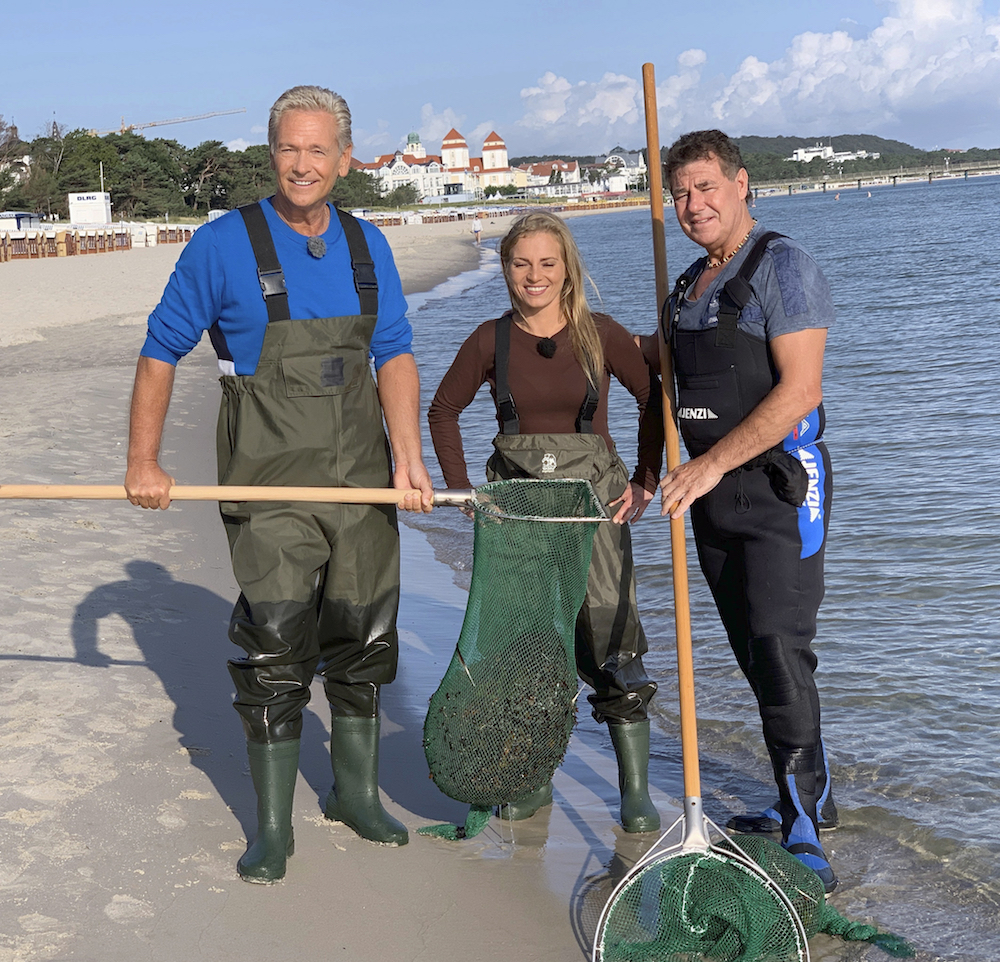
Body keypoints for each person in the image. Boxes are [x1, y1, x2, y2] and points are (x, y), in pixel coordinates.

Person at [125, 85, 434, 884]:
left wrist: (408, 457)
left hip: (361, 475)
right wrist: (143, 462)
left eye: (318, 150)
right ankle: (271, 828)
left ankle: (355, 796)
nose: (303, 164)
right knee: (275, 643)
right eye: (289, 149)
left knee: (365, 633)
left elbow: (393, 352)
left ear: (344, 158)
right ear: (274, 155)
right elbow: (161, 350)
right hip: (268, 478)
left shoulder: (370, 246)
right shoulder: (223, 245)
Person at [646, 129, 838, 891]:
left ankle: (803, 821)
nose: (693, 205)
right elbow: (664, 390)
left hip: (781, 493)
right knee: (756, 657)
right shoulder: (687, 284)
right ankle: (806, 798)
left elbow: (800, 390)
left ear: (740, 183)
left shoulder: (782, 267)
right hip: (709, 500)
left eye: (705, 188)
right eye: (680, 194)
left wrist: (708, 465)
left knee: (781, 647)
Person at [428, 212, 663, 833]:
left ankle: (634, 792)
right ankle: (529, 779)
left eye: (547, 263)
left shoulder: (601, 334)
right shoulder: (490, 340)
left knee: (612, 639)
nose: (533, 276)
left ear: (568, 269)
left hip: (595, 508)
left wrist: (646, 479)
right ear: (505, 268)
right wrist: (461, 492)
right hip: (519, 512)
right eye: (520, 263)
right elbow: (443, 410)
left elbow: (653, 399)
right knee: (523, 649)